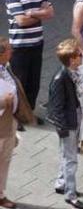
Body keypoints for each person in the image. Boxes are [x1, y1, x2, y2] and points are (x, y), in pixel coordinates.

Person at [5, 0, 53, 126]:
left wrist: (32, 12)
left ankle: (29, 113)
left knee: (34, 82)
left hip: (37, 43)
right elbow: (21, 21)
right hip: (19, 46)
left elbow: (51, 13)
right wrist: (41, 13)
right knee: (20, 83)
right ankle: (16, 118)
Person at [47, 39, 83, 209]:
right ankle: (70, 195)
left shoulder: (71, 73)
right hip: (68, 123)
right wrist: (63, 129)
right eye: (79, 54)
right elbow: (56, 107)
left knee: (65, 154)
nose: (82, 55)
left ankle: (61, 183)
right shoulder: (60, 78)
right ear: (71, 60)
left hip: (73, 118)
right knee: (71, 159)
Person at [0, 37, 35, 209]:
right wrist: (2, 101)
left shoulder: (6, 69)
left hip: (9, 123)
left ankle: (0, 194)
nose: (12, 52)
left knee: (5, 160)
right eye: (9, 50)